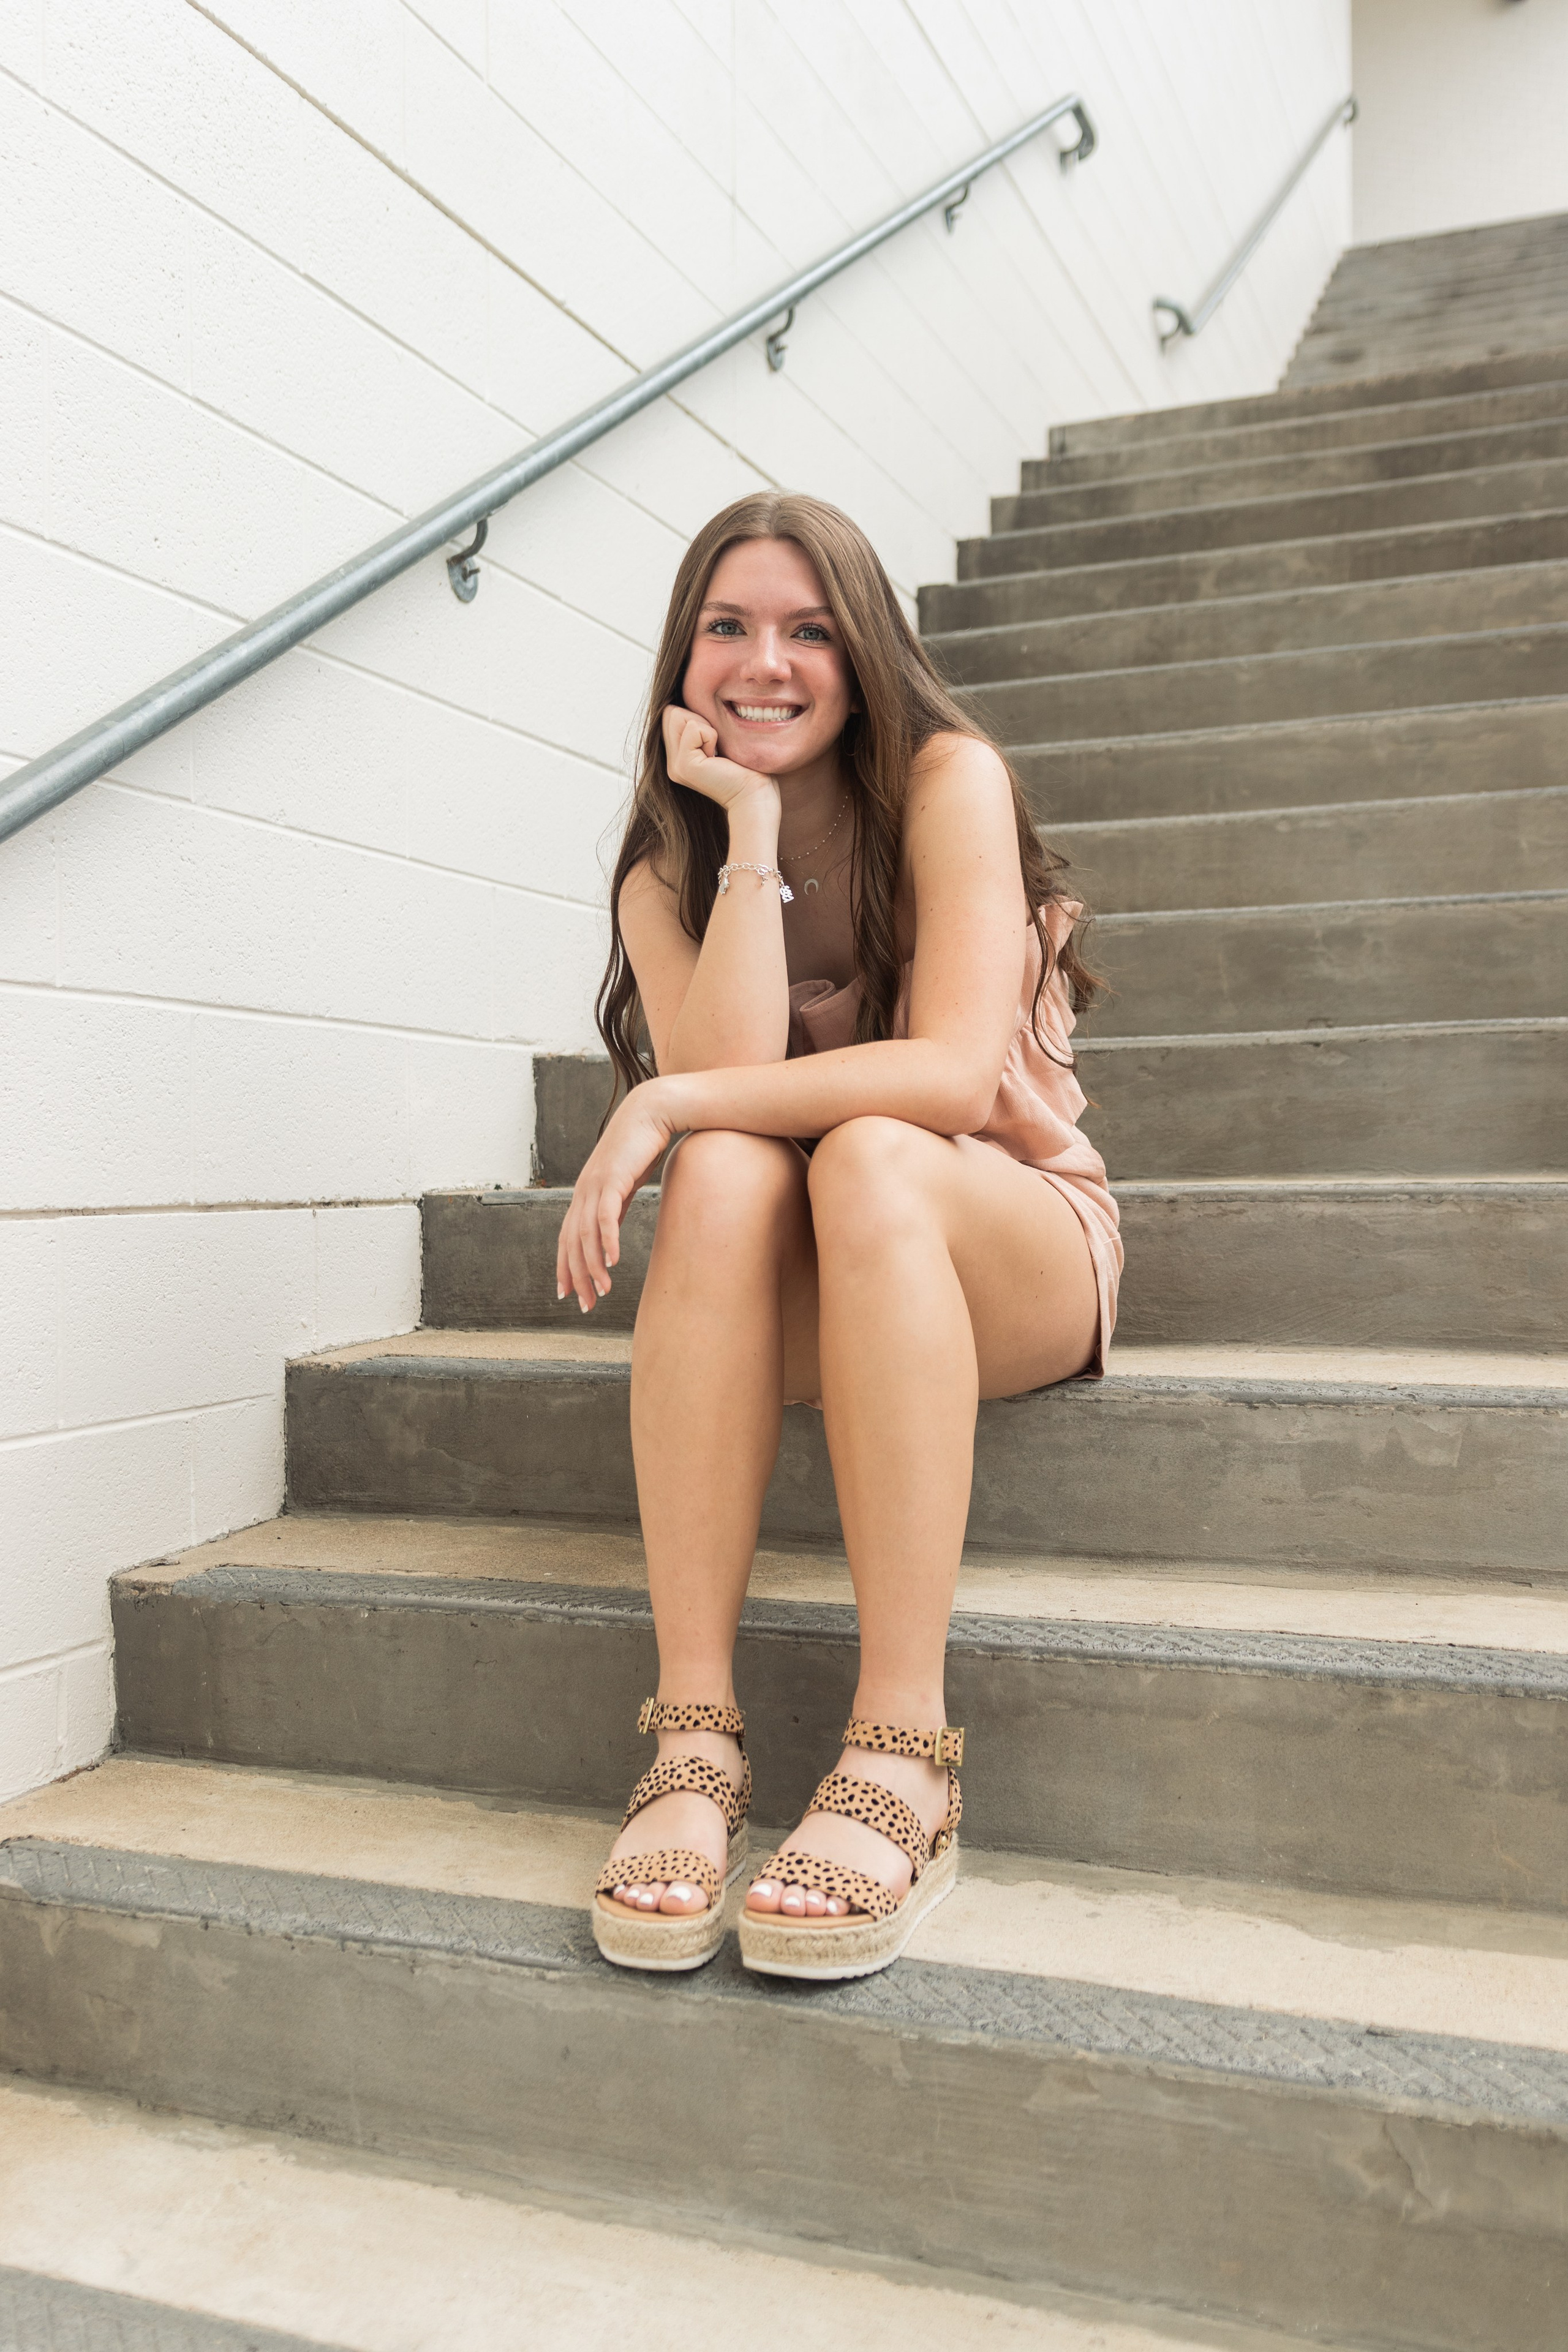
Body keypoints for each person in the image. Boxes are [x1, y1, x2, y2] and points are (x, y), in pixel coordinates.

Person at [556, 492, 1120, 1982]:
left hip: (1007, 1244)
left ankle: (903, 1748)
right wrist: (740, 828)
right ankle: (694, 1743)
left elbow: (945, 1079)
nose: (767, 663)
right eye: (727, 628)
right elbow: (734, 1106)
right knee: (735, 1172)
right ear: (683, 660)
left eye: (809, 630)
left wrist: (663, 1095)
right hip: (812, 1279)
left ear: (863, 654)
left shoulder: (947, 779)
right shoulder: (661, 867)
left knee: (868, 1147)